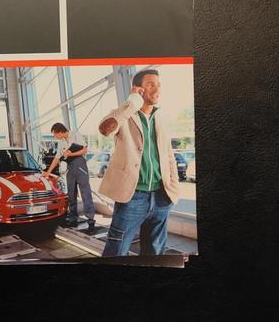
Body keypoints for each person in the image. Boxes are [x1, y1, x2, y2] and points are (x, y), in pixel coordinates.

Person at [97, 68, 180, 257]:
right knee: (116, 252)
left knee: (155, 254)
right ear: (138, 89)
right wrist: (132, 103)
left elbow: (169, 156)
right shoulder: (124, 115)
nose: (157, 89)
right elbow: (105, 130)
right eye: (151, 84)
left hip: (161, 197)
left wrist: (172, 189)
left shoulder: (162, 118)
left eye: (158, 85)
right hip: (132, 198)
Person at [42, 122, 95, 231]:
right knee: (71, 193)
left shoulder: (75, 135)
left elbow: (84, 150)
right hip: (70, 167)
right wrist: (48, 172)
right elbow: (57, 158)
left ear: (60, 132)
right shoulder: (61, 142)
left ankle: (90, 220)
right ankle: (73, 219)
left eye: (55, 134)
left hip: (80, 165)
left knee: (85, 193)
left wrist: (70, 154)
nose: (55, 137)